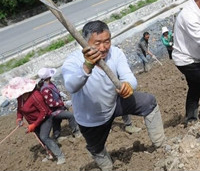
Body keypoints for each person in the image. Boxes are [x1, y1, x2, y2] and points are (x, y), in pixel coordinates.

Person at [62, 20, 165, 171]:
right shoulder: (73, 60)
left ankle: (161, 146)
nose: (103, 48)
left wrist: (128, 86)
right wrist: (87, 66)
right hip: (91, 118)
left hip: (114, 103)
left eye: (107, 41)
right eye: (97, 43)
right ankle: (107, 167)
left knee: (148, 102)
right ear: (84, 42)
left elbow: (129, 77)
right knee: (96, 148)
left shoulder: (115, 53)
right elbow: (71, 86)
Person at [2, 77, 66, 165]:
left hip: (45, 119)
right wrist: (19, 118)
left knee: (44, 137)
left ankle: (60, 156)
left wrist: (34, 124)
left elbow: (44, 112)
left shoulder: (35, 96)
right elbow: (20, 109)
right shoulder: (20, 98)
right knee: (41, 139)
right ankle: (50, 153)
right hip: (33, 122)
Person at [37, 67, 81, 140]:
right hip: (53, 111)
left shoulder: (49, 84)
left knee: (56, 122)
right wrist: (63, 103)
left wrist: (60, 93)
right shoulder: (45, 89)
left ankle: (56, 136)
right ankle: (76, 132)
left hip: (57, 108)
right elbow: (51, 104)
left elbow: (54, 91)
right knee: (70, 116)